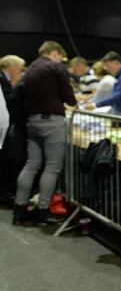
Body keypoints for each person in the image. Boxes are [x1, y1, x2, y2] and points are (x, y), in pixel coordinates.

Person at [13, 41, 77, 226]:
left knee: (31, 164)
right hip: (52, 122)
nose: (61, 60)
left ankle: (20, 209)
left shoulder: (30, 68)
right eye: (61, 56)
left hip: (32, 121)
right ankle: (43, 211)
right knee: (52, 167)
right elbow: (69, 98)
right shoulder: (55, 68)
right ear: (55, 53)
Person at [0, 55, 26, 202]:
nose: (20, 71)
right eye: (19, 67)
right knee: (4, 161)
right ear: (11, 67)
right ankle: (4, 193)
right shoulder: (2, 81)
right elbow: (10, 102)